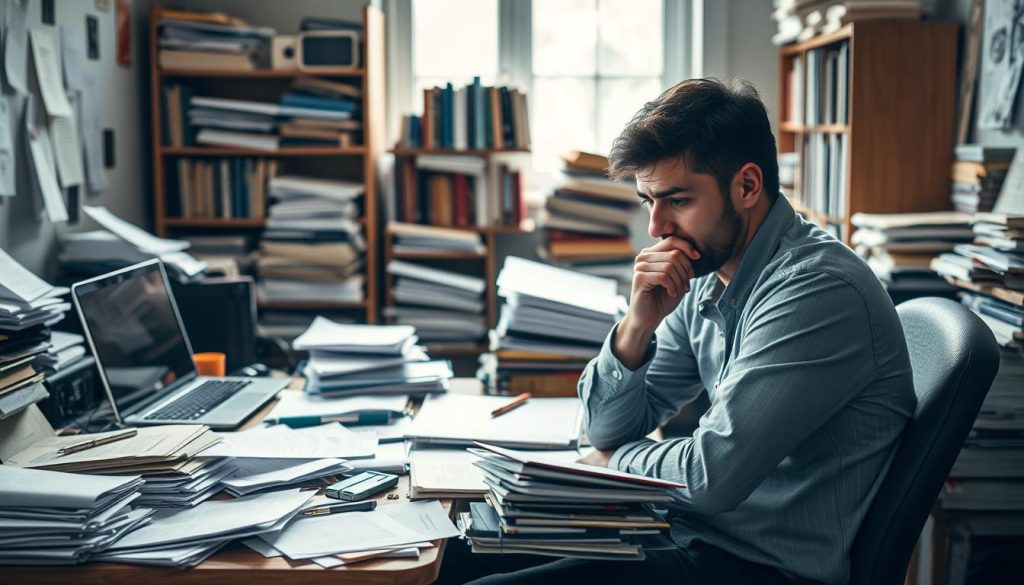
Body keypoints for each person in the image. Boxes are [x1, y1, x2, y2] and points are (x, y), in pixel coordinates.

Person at [437, 78, 915, 585]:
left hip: (753, 566)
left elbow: (708, 477)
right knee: (447, 557)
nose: (656, 227)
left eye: (677, 200)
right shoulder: (707, 274)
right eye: (648, 200)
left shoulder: (817, 292)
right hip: (681, 532)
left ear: (747, 186)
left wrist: (611, 462)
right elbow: (603, 429)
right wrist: (637, 326)